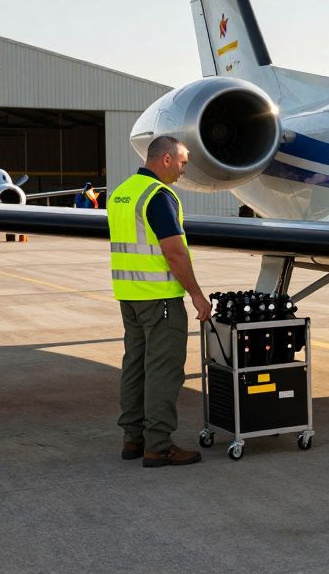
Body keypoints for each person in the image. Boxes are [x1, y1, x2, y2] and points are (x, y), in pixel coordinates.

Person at [108, 135, 212, 467]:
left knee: (134, 368)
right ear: (165, 159)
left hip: (129, 296)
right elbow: (174, 251)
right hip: (161, 298)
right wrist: (197, 295)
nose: (184, 170)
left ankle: (133, 438)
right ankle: (158, 445)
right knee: (163, 372)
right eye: (182, 162)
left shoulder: (122, 193)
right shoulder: (158, 195)